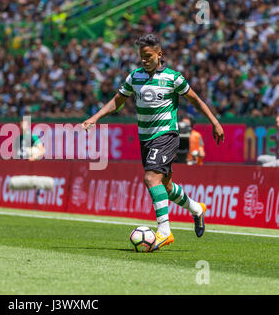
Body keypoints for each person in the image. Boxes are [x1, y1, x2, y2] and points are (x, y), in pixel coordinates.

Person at [82, 34, 225, 251]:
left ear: (159, 55)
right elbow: (116, 102)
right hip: (145, 139)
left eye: (148, 56)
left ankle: (164, 232)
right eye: (141, 56)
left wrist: (214, 122)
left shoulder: (173, 78)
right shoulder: (134, 77)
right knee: (165, 186)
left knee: (150, 178)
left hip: (166, 135)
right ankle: (196, 209)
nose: (144, 60)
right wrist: (95, 117)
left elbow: (195, 100)